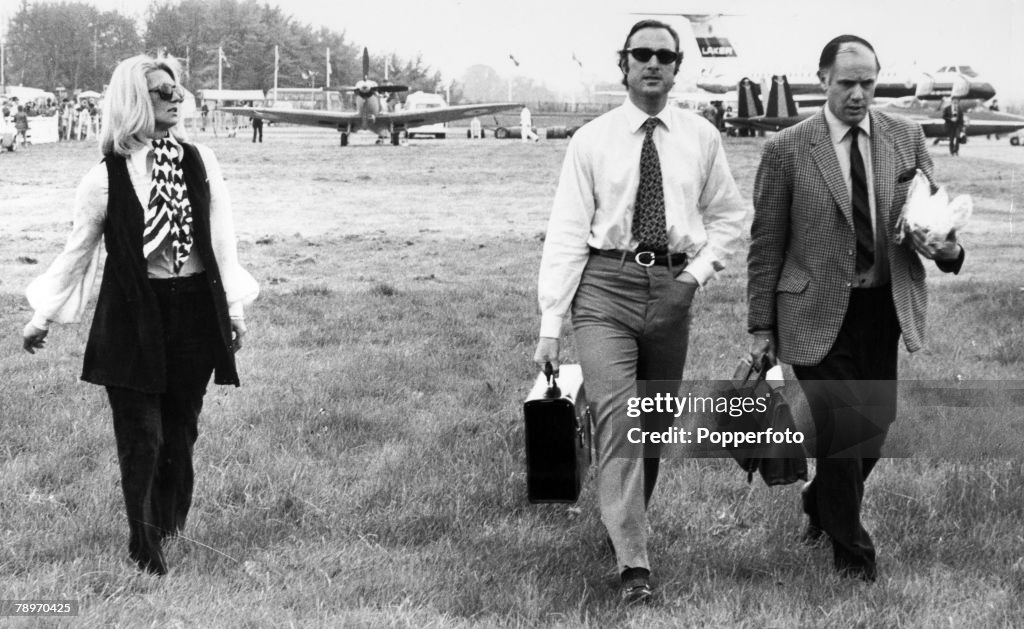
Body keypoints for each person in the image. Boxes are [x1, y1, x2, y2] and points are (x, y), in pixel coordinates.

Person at [21, 53, 259, 576]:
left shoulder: (202, 160)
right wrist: (42, 317)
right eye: (159, 91)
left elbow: (222, 241)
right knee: (142, 436)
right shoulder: (103, 179)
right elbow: (77, 253)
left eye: (176, 89)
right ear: (132, 101)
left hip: (194, 310)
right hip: (132, 318)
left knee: (180, 432)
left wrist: (234, 309)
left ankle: (168, 526)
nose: (176, 97)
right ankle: (143, 546)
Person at [534, 19, 745, 603]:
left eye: (663, 56)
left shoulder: (701, 137)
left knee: (653, 421)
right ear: (622, 65)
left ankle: (621, 521)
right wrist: (552, 325)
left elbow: (730, 217)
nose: (652, 64)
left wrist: (694, 278)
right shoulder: (591, 141)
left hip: (673, 288)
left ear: (678, 69)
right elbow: (568, 232)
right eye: (641, 55)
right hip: (604, 289)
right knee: (619, 417)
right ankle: (634, 565)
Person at [747, 34, 964, 582]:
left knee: (872, 430)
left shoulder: (906, 137)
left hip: (881, 310)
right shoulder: (787, 148)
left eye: (868, 83)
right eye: (846, 83)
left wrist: (949, 249)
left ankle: (820, 502)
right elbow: (766, 242)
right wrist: (759, 326)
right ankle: (854, 560)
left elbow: (932, 220)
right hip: (813, 309)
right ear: (823, 80)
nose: (859, 94)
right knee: (844, 429)